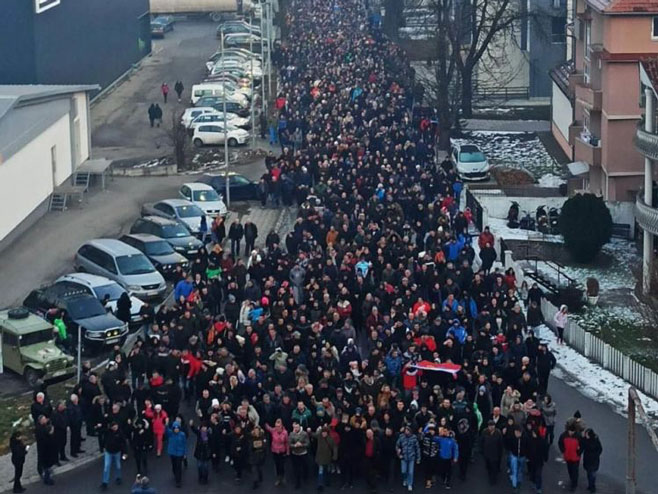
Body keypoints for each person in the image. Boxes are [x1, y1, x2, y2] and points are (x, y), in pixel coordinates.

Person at [101, 421, 126, 490]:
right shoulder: (107, 432)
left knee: (118, 465)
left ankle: (118, 477)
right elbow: (103, 439)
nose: (115, 427)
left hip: (117, 452)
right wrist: (103, 447)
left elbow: (123, 443)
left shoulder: (120, 433)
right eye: (114, 426)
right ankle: (105, 482)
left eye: (116, 426)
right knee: (106, 466)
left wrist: (124, 452)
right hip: (108, 451)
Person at [396, 425, 421, 491]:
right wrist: (399, 454)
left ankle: (410, 484)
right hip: (403, 457)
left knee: (410, 472)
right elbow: (397, 446)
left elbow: (417, 448)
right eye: (405, 430)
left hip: (411, 458)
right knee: (403, 471)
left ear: (410, 431)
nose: (406, 432)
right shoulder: (401, 437)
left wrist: (418, 458)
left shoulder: (414, 438)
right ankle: (405, 479)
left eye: (407, 430)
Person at [265, 418, 290, 486]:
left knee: (282, 465)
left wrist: (288, 451)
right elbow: (268, 428)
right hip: (274, 451)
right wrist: (265, 422)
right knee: (277, 465)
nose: (277, 428)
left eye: (278, 426)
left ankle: (283, 477)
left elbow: (287, 442)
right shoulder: (273, 430)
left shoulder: (285, 432)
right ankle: (278, 478)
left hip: (282, 451)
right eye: (276, 426)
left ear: (281, 426)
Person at [312, 425, 337, 491]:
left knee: (326, 471)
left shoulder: (330, 439)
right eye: (323, 432)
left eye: (325, 432)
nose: (323, 433)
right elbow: (313, 434)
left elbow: (334, 447)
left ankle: (327, 481)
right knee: (321, 471)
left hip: (327, 457)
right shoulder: (319, 436)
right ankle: (320, 485)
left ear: (327, 433)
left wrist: (334, 456)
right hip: (321, 458)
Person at [558, 426, 582, 491]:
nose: (571, 433)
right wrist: (563, 451)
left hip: (575, 457)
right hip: (568, 456)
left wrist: (578, 452)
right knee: (570, 469)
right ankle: (572, 480)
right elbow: (560, 443)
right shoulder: (563, 435)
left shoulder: (578, 436)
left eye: (573, 431)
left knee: (575, 471)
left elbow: (582, 445)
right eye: (570, 431)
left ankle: (574, 484)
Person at [480, 420, 503, 485]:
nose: (491, 427)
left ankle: (493, 479)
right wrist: (481, 451)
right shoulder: (484, 432)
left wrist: (500, 454)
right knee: (488, 467)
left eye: (492, 426)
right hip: (487, 453)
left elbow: (500, 444)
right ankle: (490, 476)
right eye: (490, 426)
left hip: (495, 453)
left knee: (494, 467)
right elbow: (481, 441)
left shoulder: (498, 433)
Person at [289, 421, 310, 489]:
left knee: (305, 466)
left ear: (299, 427)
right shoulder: (291, 434)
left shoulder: (304, 434)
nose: (296, 428)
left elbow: (308, 443)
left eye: (297, 427)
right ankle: (298, 483)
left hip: (303, 453)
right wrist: (294, 445)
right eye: (294, 427)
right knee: (296, 469)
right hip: (295, 454)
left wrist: (301, 444)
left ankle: (305, 478)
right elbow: (289, 444)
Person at [506, 426, 528, 490]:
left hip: (522, 456)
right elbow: (509, 445)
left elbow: (527, 447)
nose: (516, 434)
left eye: (517, 433)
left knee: (520, 470)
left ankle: (518, 481)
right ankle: (515, 485)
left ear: (520, 432)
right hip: (514, 455)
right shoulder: (512, 437)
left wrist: (526, 455)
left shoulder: (525, 438)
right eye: (515, 432)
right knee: (514, 470)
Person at [190, 419, 212, 484]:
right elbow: (194, 430)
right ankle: (200, 477)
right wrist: (192, 426)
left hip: (206, 453)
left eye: (205, 427)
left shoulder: (209, 435)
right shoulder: (199, 433)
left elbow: (212, 444)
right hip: (199, 452)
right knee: (199, 466)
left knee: (205, 467)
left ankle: (205, 478)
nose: (204, 428)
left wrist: (212, 452)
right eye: (203, 427)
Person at [167, 420, 187, 487]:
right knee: (174, 466)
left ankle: (178, 480)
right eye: (175, 428)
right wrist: (166, 424)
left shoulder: (182, 435)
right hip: (172, 452)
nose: (176, 430)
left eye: (177, 428)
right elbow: (166, 430)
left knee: (178, 466)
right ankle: (175, 475)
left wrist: (184, 453)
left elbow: (184, 444)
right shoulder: (170, 433)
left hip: (179, 453)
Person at [582, 429, 602, 493]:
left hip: (593, 460)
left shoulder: (595, 441)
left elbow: (600, 449)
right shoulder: (586, 440)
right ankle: (590, 485)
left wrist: (596, 455)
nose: (586, 435)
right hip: (589, 460)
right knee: (589, 474)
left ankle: (592, 486)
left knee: (592, 474)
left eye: (587, 434)